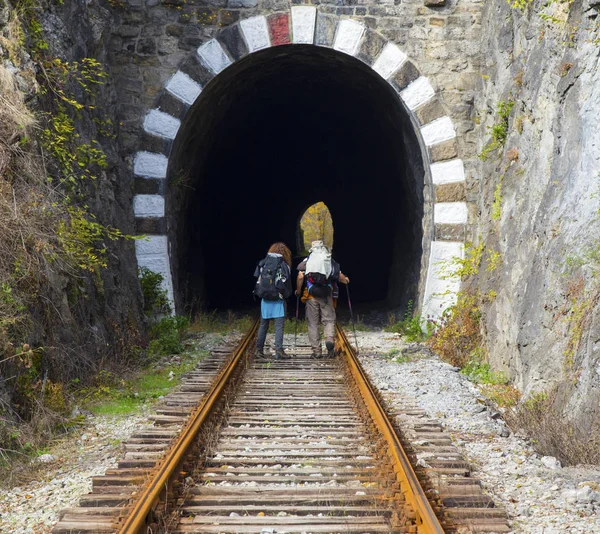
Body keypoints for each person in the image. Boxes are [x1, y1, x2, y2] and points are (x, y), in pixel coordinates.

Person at [296, 241, 349, 359]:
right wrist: (345, 280)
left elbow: (300, 276)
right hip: (326, 295)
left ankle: (317, 352)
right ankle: (329, 340)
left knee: (313, 323)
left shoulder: (307, 260)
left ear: (312, 249)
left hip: (311, 296)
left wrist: (298, 291)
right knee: (329, 319)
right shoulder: (328, 260)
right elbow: (338, 275)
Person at [253, 242, 293, 360]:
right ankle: (279, 351)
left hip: (265, 298)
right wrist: (286, 294)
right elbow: (286, 282)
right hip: (278, 298)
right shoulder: (284, 265)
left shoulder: (263, 262)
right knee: (279, 326)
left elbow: (257, 278)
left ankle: (259, 351)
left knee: (263, 324)